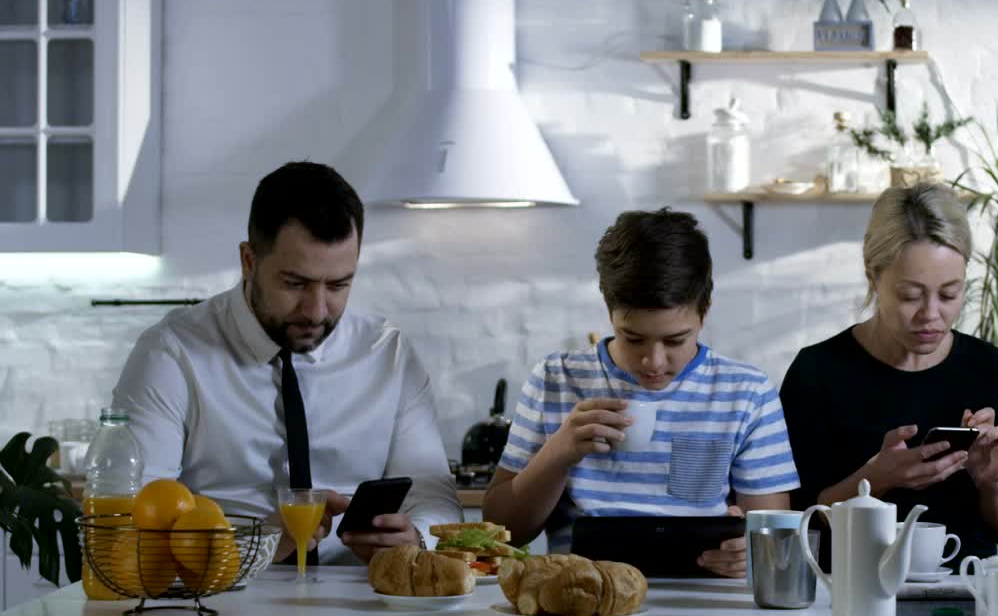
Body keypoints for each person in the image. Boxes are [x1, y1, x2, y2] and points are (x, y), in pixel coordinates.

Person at [111, 161, 461, 565]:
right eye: (295, 284)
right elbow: (134, 519)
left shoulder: (388, 354)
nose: (315, 311)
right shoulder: (172, 354)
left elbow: (436, 498)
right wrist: (262, 543)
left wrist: (414, 539)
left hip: (361, 601)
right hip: (222, 601)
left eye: (338, 285)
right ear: (249, 261)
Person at [482, 208, 800, 578]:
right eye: (633, 338)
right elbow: (502, 533)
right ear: (609, 312)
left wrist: (751, 551)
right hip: (582, 600)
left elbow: (776, 541)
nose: (654, 361)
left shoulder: (746, 392)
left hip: (704, 600)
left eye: (675, 340)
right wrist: (559, 452)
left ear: (704, 311)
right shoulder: (557, 379)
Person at [780, 182, 998, 568]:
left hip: (964, 589)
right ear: (873, 277)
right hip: (849, 589)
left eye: (949, 294)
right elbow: (798, 520)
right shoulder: (817, 374)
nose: (931, 314)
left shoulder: (992, 372)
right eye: (911, 295)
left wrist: (991, 482)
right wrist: (875, 479)